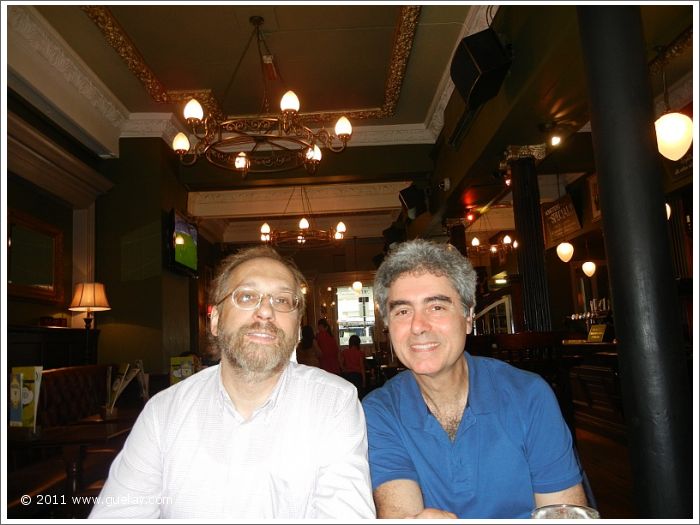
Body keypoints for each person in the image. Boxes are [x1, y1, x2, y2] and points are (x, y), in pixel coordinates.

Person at [89, 246, 375, 519]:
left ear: (297, 328)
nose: (266, 311)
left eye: (283, 300)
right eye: (247, 297)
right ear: (214, 320)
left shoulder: (334, 402)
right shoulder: (163, 413)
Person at [362, 239, 587, 519]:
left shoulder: (529, 395)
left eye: (436, 307)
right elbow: (400, 511)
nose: (418, 326)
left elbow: (563, 514)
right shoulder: (379, 411)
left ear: (468, 316)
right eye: (402, 311)